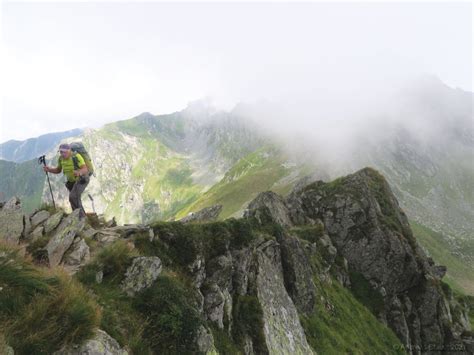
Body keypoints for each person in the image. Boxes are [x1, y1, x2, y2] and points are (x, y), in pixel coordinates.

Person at [43, 143, 90, 218]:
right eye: (61, 152)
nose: (63, 154)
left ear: (69, 151)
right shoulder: (61, 159)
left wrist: (79, 172)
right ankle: (79, 216)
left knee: (73, 197)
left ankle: (81, 219)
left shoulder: (76, 156)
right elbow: (58, 170)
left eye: (65, 152)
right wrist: (49, 170)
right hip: (71, 181)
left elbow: (85, 169)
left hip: (82, 179)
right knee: (75, 199)